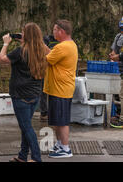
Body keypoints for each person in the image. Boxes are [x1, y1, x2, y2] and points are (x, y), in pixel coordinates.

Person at [0, 23, 49, 163]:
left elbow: (1, 59)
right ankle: (22, 155)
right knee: (25, 126)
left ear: (26, 35)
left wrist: (5, 43)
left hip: (20, 96)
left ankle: (36, 158)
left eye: (23, 32)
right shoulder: (41, 51)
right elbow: (50, 52)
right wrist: (34, 41)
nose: (21, 34)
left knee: (27, 128)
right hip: (35, 95)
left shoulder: (20, 51)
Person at [43, 19, 78, 158]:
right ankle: (59, 144)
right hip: (59, 89)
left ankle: (65, 148)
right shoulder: (68, 45)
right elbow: (51, 54)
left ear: (61, 31)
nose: (53, 33)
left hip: (60, 89)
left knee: (62, 121)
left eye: (54, 30)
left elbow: (47, 59)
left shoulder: (62, 47)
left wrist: (37, 44)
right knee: (57, 119)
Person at [39, 35, 59, 121]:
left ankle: (53, 112)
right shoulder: (47, 39)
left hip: (56, 72)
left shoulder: (66, 43)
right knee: (43, 92)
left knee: (54, 93)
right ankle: (44, 113)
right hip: (45, 70)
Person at [108, 17, 123, 128]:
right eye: (121, 28)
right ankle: (118, 114)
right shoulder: (118, 37)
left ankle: (122, 120)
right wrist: (113, 55)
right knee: (118, 94)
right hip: (120, 70)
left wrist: (119, 57)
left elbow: (119, 56)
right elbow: (114, 51)